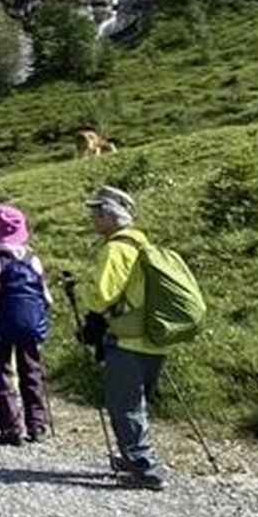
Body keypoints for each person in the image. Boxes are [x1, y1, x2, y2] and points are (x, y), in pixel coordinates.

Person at [82, 185, 168, 490]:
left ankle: (145, 468)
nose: (93, 217)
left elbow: (103, 295)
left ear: (108, 215)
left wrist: (91, 320)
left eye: (96, 211)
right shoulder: (143, 244)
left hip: (127, 337)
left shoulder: (115, 249)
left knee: (124, 402)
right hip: (155, 337)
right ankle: (134, 455)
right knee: (138, 401)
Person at [0, 204, 53, 447]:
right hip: (30, 326)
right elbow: (46, 297)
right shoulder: (33, 259)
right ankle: (37, 425)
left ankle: (11, 428)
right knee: (31, 372)